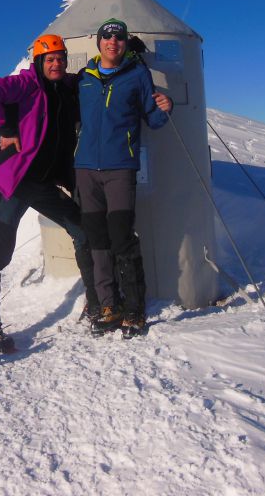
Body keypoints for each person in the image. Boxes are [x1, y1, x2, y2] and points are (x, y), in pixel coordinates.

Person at [0, 34, 97, 352]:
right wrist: (6, 128)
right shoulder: (26, 84)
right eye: (50, 59)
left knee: (83, 230)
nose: (56, 64)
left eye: (60, 58)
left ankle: (96, 304)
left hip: (43, 184)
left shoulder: (66, 87)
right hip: (13, 183)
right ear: (39, 62)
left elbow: (95, 79)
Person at [75, 18, 172, 339]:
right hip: (85, 169)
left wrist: (165, 107)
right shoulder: (84, 78)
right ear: (98, 43)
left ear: (125, 43)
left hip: (120, 169)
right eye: (107, 38)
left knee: (121, 238)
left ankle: (133, 309)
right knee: (97, 242)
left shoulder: (136, 75)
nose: (112, 43)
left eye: (118, 39)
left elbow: (154, 119)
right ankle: (107, 306)